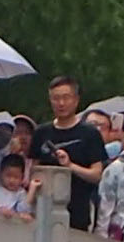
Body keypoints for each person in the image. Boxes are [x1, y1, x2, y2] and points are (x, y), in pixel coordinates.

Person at [28, 75, 106, 233]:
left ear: (76, 100)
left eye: (66, 97)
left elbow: (97, 174)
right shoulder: (41, 132)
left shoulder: (89, 134)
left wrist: (70, 166)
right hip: (43, 209)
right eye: (56, 98)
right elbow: (33, 169)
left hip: (77, 213)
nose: (61, 103)